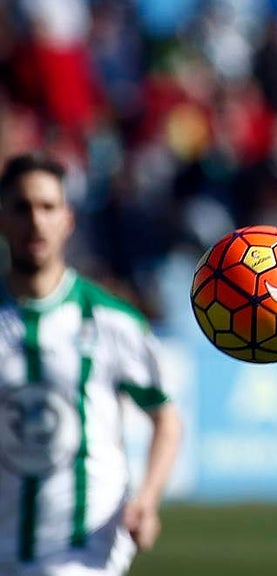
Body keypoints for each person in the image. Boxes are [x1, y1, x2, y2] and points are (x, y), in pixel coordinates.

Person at [0, 153, 182, 575]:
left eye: (48, 207)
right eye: (22, 208)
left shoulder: (111, 321)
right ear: (3, 218)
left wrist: (147, 500)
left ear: (68, 219)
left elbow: (166, 418)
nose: (36, 221)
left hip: (83, 547)